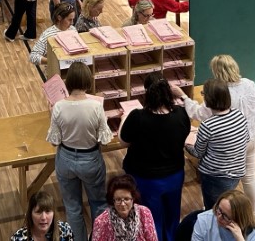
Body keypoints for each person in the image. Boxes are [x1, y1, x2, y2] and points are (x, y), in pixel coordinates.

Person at [176, 54, 255, 215]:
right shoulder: (249, 84)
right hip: (251, 135)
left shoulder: (219, 93)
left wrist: (184, 98)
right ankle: (254, 213)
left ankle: (214, 212)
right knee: (250, 176)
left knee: (221, 186)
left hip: (228, 147)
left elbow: (198, 113)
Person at [119, 72, 190, 241]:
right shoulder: (180, 114)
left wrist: (123, 118)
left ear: (147, 93)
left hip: (146, 179)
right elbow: (184, 133)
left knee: (151, 219)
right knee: (173, 215)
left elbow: (123, 141)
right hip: (174, 176)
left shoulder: (137, 117)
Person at [46, 61, 112, 241]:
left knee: (72, 207)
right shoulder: (96, 106)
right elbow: (105, 140)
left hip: (66, 159)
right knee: (98, 204)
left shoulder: (58, 107)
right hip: (90, 159)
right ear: (88, 81)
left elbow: (54, 141)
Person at [184, 80, 249, 209]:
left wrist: (186, 144)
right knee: (225, 205)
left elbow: (198, 153)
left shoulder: (208, 125)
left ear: (208, 100)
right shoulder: (240, 115)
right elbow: (245, 139)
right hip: (236, 173)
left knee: (213, 210)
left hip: (214, 176)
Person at [91, 174, 158, 241]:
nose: (122, 204)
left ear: (133, 199)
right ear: (112, 200)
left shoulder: (144, 213)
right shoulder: (101, 221)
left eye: (126, 199)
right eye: (118, 199)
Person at [191, 190, 255, 241]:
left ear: (238, 219)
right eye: (219, 210)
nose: (219, 217)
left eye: (225, 216)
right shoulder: (204, 220)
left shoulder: (251, 231)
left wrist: (240, 239)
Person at [29, 2, 77, 66]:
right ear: (59, 18)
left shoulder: (73, 29)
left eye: (73, 19)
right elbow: (33, 57)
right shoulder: (47, 35)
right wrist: (53, 61)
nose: (72, 23)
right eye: (69, 20)